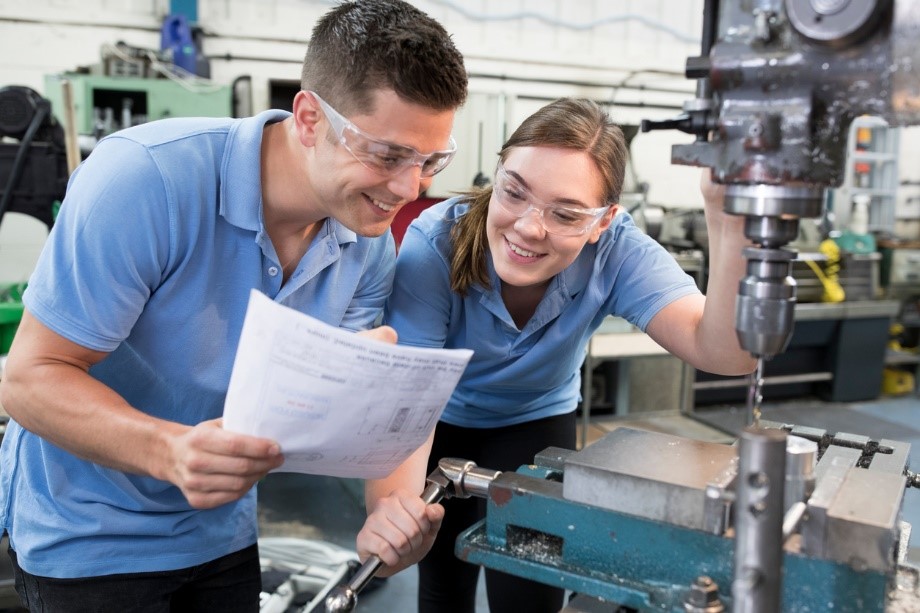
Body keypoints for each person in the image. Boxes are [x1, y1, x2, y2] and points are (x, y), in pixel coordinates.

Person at [0, 1, 467, 610]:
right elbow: (29, 381)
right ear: (307, 118)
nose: (409, 189)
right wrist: (169, 451)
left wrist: (390, 508)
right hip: (92, 535)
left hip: (222, 532)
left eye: (430, 161)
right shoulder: (147, 181)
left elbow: (351, 413)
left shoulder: (364, 243)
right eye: (384, 155)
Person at [362, 97, 756, 613]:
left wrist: (729, 223)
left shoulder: (617, 252)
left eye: (566, 213)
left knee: (532, 591)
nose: (529, 227)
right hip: (439, 422)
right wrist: (391, 518)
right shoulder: (436, 242)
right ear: (498, 173)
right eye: (515, 192)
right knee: (442, 584)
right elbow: (410, 394)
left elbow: (724, 352)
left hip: (536, 422)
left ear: (603, 221)